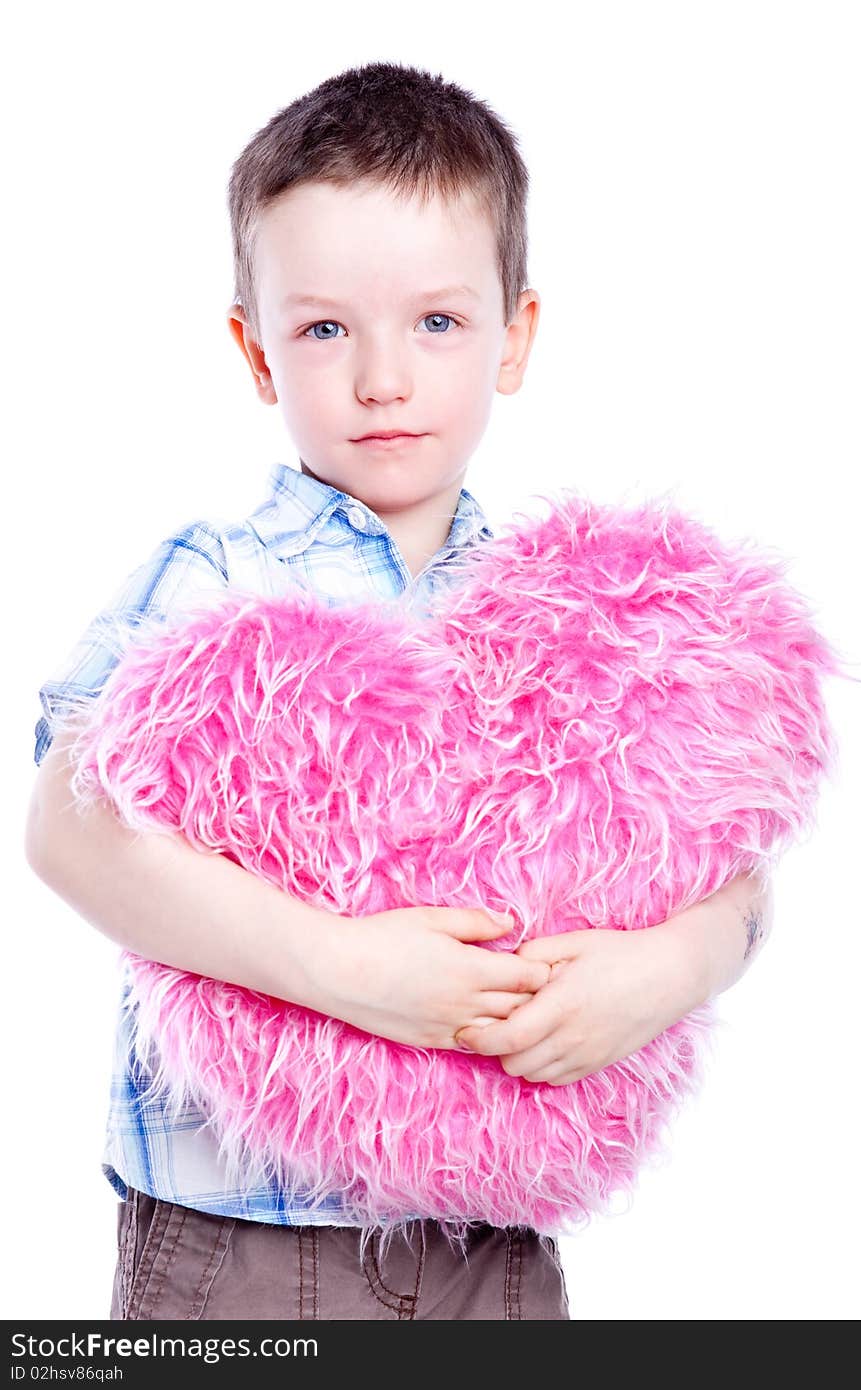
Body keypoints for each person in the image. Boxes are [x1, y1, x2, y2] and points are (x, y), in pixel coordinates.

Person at [24, 61, 773, 1321]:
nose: (383, 376)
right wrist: (346, 970)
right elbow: (67, 827)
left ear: (515, 335)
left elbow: (723, 866)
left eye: (436, 322)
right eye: (324, 328)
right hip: (244, 1242)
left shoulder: (574, 617)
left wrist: (670, 966)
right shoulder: (220, 581)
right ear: (255, 350)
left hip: (493, 1241)